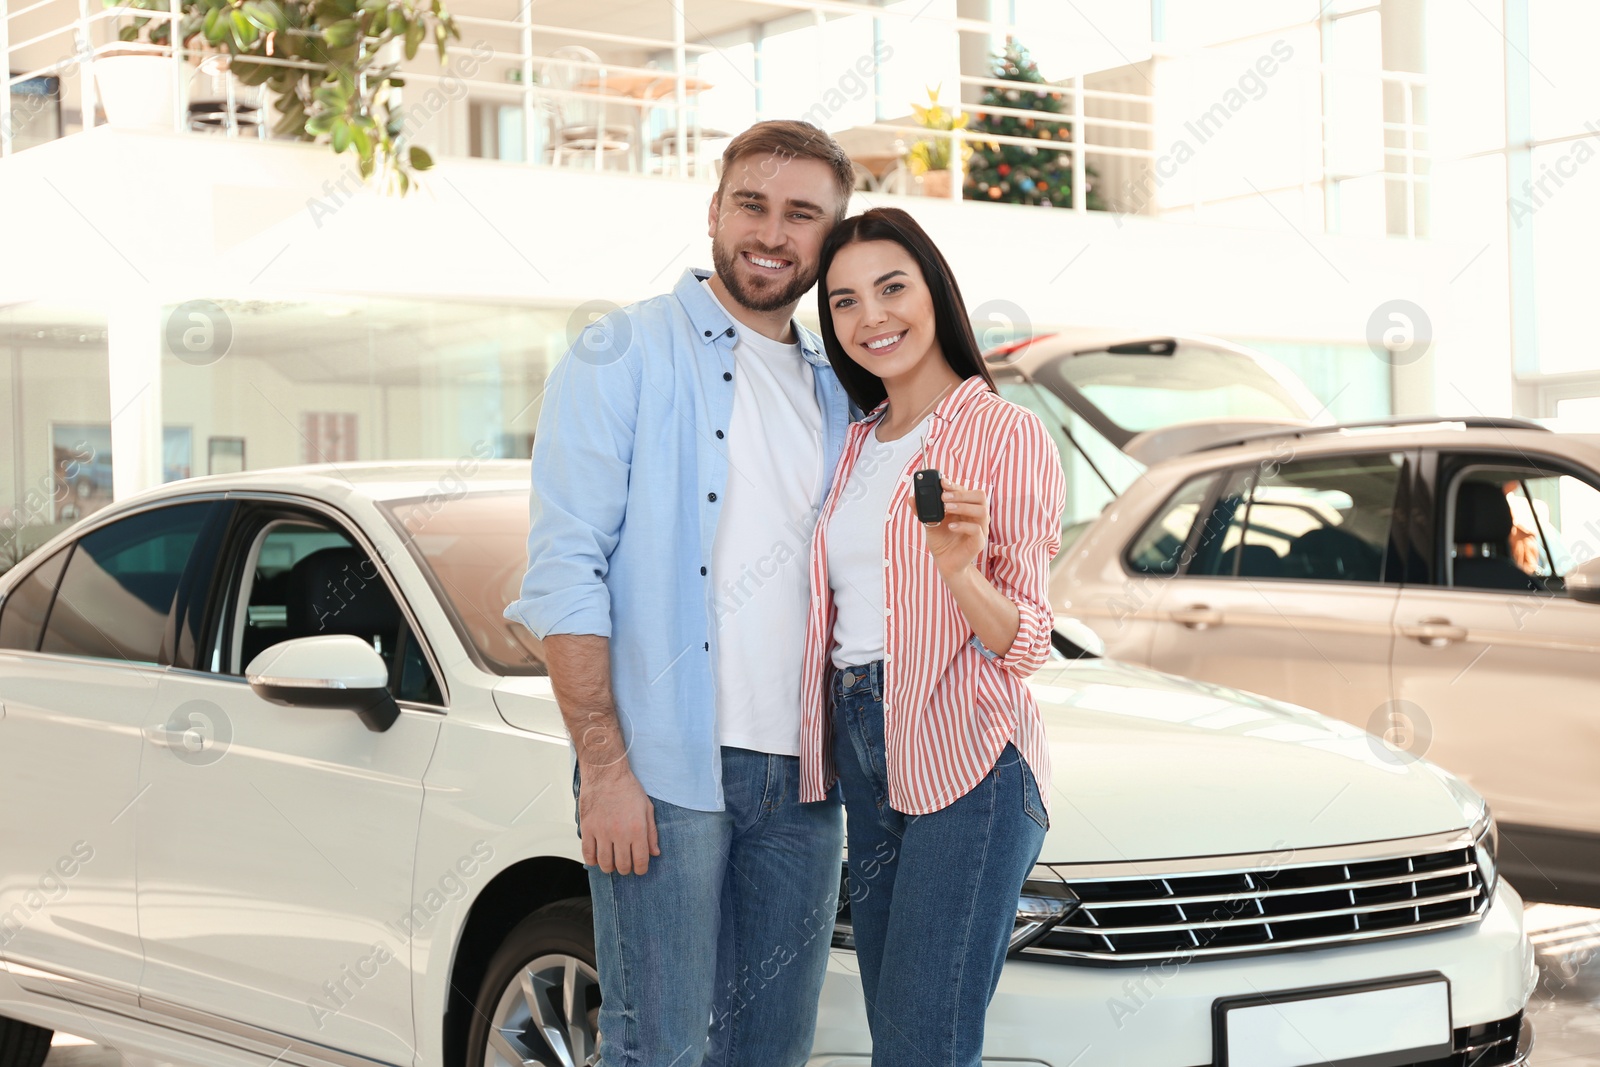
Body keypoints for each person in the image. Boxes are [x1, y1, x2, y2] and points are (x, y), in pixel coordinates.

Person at [504, 121, 857, 1066]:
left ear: (830, 238)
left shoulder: (837, 391)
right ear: (714, 210)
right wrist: (606, 768)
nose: (772, 234)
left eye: (801, 215)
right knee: (655, 1048)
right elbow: (565, 572)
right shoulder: (622, 349)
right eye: (753, 203)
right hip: (663, 772)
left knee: (771, 1052)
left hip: (805, 782)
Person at [799, 206, 1066, 1066]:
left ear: (934, 293)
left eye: (890, 288)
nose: (870, 317)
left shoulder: (1004, 433)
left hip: (972, 758)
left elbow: (1026, 645)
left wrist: (959, 571)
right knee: (906, 1042)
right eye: (844, 302)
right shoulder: (850, 446)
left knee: (922, 1047)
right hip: (866, 755)